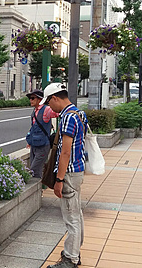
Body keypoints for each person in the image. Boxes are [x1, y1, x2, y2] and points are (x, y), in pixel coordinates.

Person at [42, 83, 86, 268]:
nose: (49, 107)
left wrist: (59, 180)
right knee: (77, 213)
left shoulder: (67, 118)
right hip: (78, 170)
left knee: (71, 217)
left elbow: (65, 153)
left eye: (49, 103)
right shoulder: (79, 113)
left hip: (68, 173)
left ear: (55, 98)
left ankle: (70, 259)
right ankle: (74, 252)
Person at [25, 89, 60, 178]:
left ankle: (38, 189)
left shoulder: (46, 110)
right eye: (30, 98)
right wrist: (29, 141)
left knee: (34, 169)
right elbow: (34, 127)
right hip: (34, 144)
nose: (30, 100)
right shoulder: (35, 111)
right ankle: (39, 190)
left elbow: (58, 113)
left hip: (43, 145)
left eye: (33, 98)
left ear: (40, 99)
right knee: (36, 171)